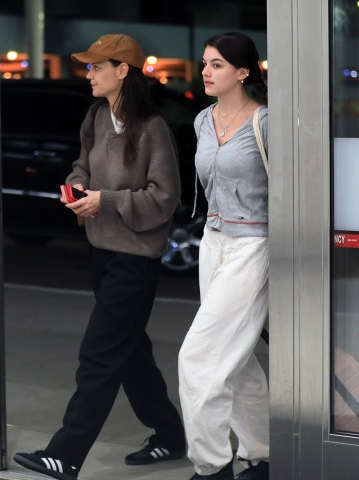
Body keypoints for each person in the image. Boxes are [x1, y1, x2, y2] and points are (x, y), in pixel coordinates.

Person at [13, 33, 186, 480]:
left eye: (96, 67)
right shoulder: (95, 115)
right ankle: (169, 435)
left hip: (135, 259)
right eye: (88, 67)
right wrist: (74, 188)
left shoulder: (152, 128)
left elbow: (164, 199)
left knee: (100, 353)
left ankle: (65, 454)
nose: (88, 73)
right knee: (129, 352)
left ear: (121, 71)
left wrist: (103, 200)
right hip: (101, 252)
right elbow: (82, 167)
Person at [178, 32, 269, 480]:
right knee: (239, 356)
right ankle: (260, 454)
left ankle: (210, 467)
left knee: (199, 358)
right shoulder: (201, 120)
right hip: (212, 241)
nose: (206, 72)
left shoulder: (265, 122)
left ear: (242, 72)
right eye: (204, 63)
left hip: (254, 244)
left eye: (216, 64)